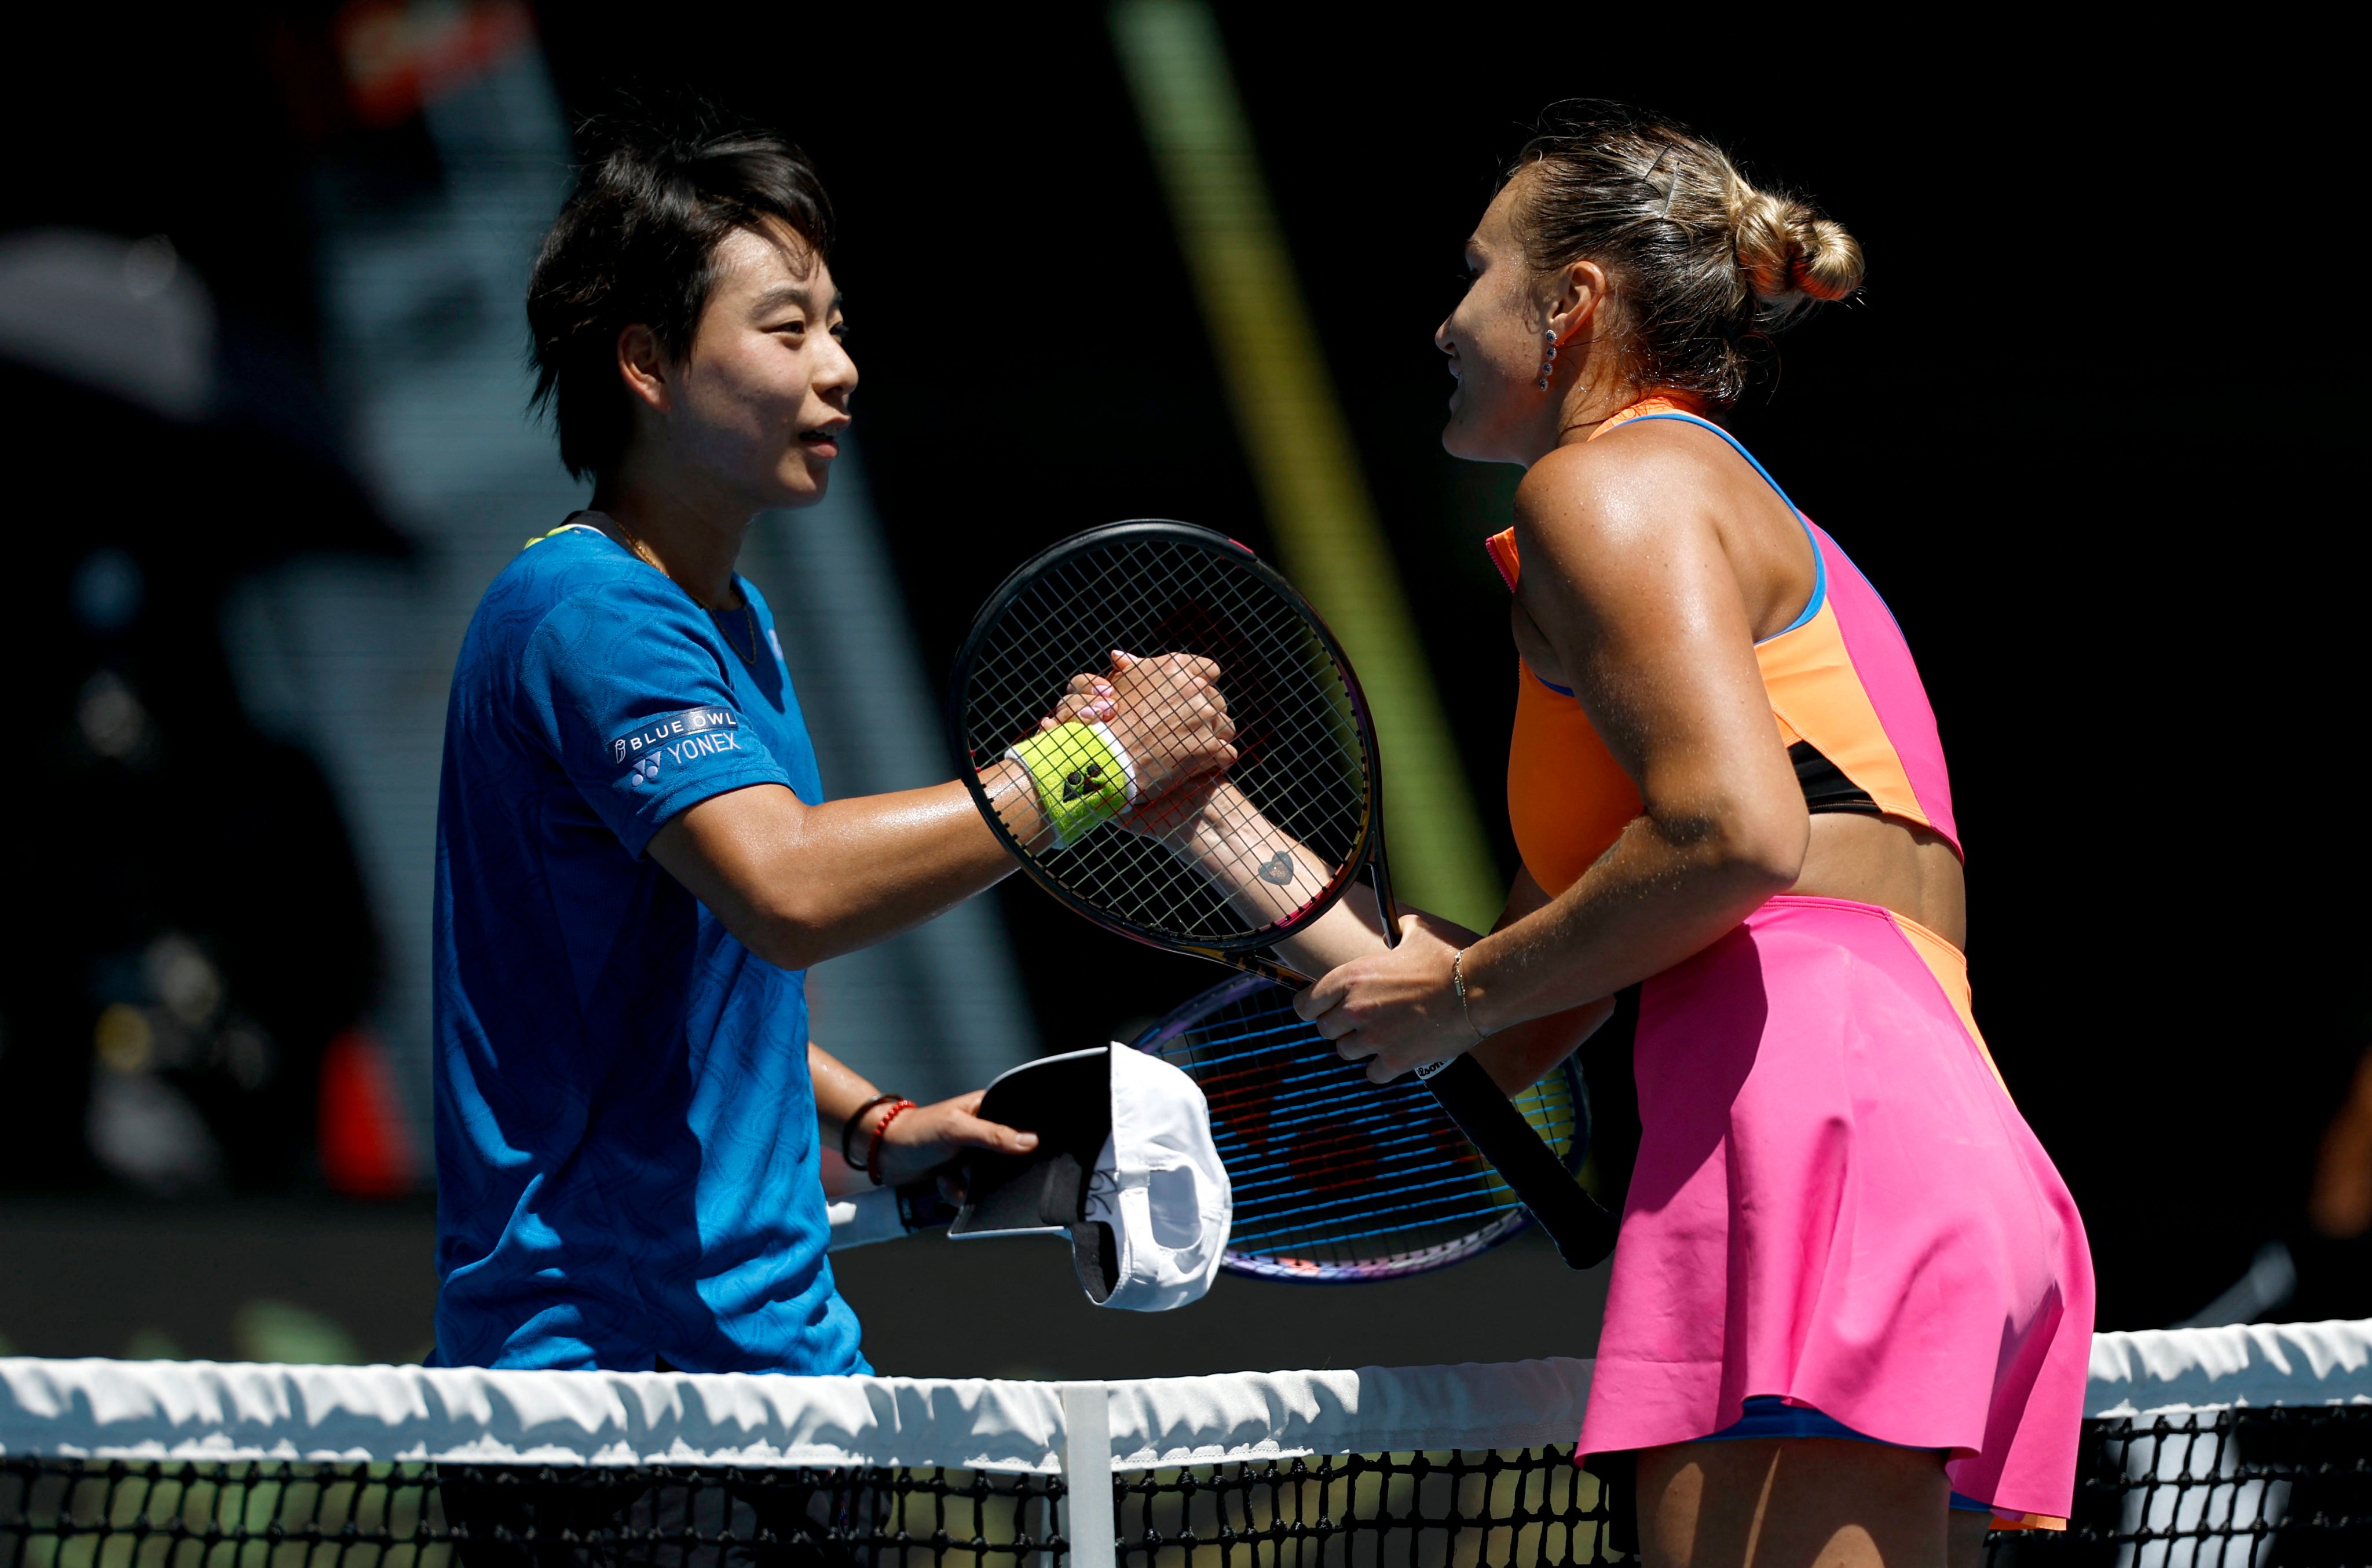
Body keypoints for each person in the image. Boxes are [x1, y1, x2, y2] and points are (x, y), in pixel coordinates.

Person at [1270, 103, 2094, 1566]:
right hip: (1908, 1122)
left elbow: (1727, 834)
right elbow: (1529, 1008)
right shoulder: (1712, 520)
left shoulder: (1608, 485)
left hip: (1814, 1125)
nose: (1445, 320)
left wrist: (1461, 990)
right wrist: (1205, 821)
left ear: (1571, 301)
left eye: (1475, 271)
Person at [430, 115, 1235, 1375]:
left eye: (838, 325)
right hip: (606, 1394)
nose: (842, 367)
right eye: (788, 328)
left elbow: (678, 976)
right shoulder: (588, 616)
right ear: (645, 362)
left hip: (786, 1361)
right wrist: (1094, 767)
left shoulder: (732, 621)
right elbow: (788, 890)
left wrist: (872, 1124)